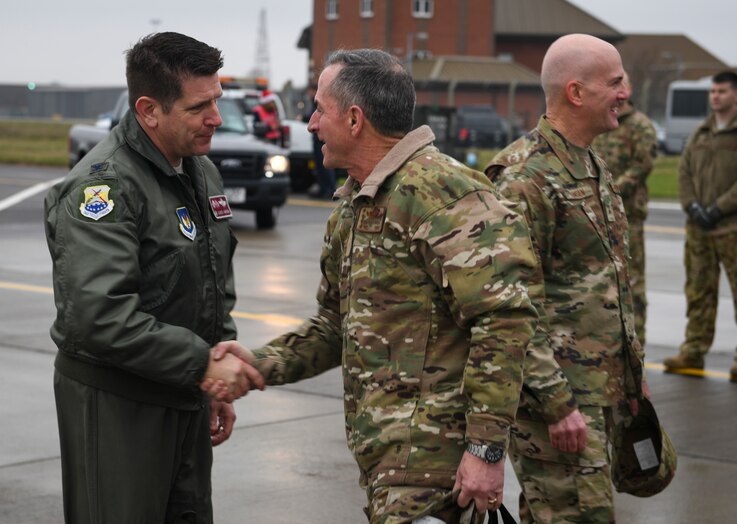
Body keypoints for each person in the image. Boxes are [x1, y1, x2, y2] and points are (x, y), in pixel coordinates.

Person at [207, 48, 540, 523]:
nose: (310, 123)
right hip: (387, 466)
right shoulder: (355, 205)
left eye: (319, 109)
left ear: (355, 118)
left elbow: (503, 320)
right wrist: (259, 364)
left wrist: (485, 452)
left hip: (438, 473)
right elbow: (334, 326)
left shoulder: (442, 193)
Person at [44, 32, 264, 523]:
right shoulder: (103, 188)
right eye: (198, 107)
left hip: (182, 394)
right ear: (148, 110)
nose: (216, 118)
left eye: (216, 101)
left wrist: (212, 376)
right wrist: (205, 365)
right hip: (120, 406)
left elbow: (213, 279)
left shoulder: (200, 172)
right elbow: (100, 318)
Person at [485, 34, 648, 523]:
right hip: (558, 404)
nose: (627, 91)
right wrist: (556, 404)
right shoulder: (524, 177)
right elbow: (509, 304)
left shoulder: (590, 161)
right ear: (576, 92)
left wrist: (631, 375)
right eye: (616, 82)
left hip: (599, 393)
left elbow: (605, 284)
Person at [664, 70, 737, 380]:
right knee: (698, 292)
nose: (715, 96)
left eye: (722, 91)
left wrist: (719, 209)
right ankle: (693, 351)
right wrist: (692, 205)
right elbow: (684, 172)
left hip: (734, 229)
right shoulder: (700, 132)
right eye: (712, 91)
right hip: (699, 229)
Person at [592, 72, 658, 349]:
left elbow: (642, 166)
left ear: (630, 90)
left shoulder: (640, 126)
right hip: (596, 216)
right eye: (613, 84)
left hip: (627, 214)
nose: (619, 90)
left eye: (622, 83)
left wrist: (608, 191)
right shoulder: (600, 123)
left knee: (632, 281)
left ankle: (636, 343)